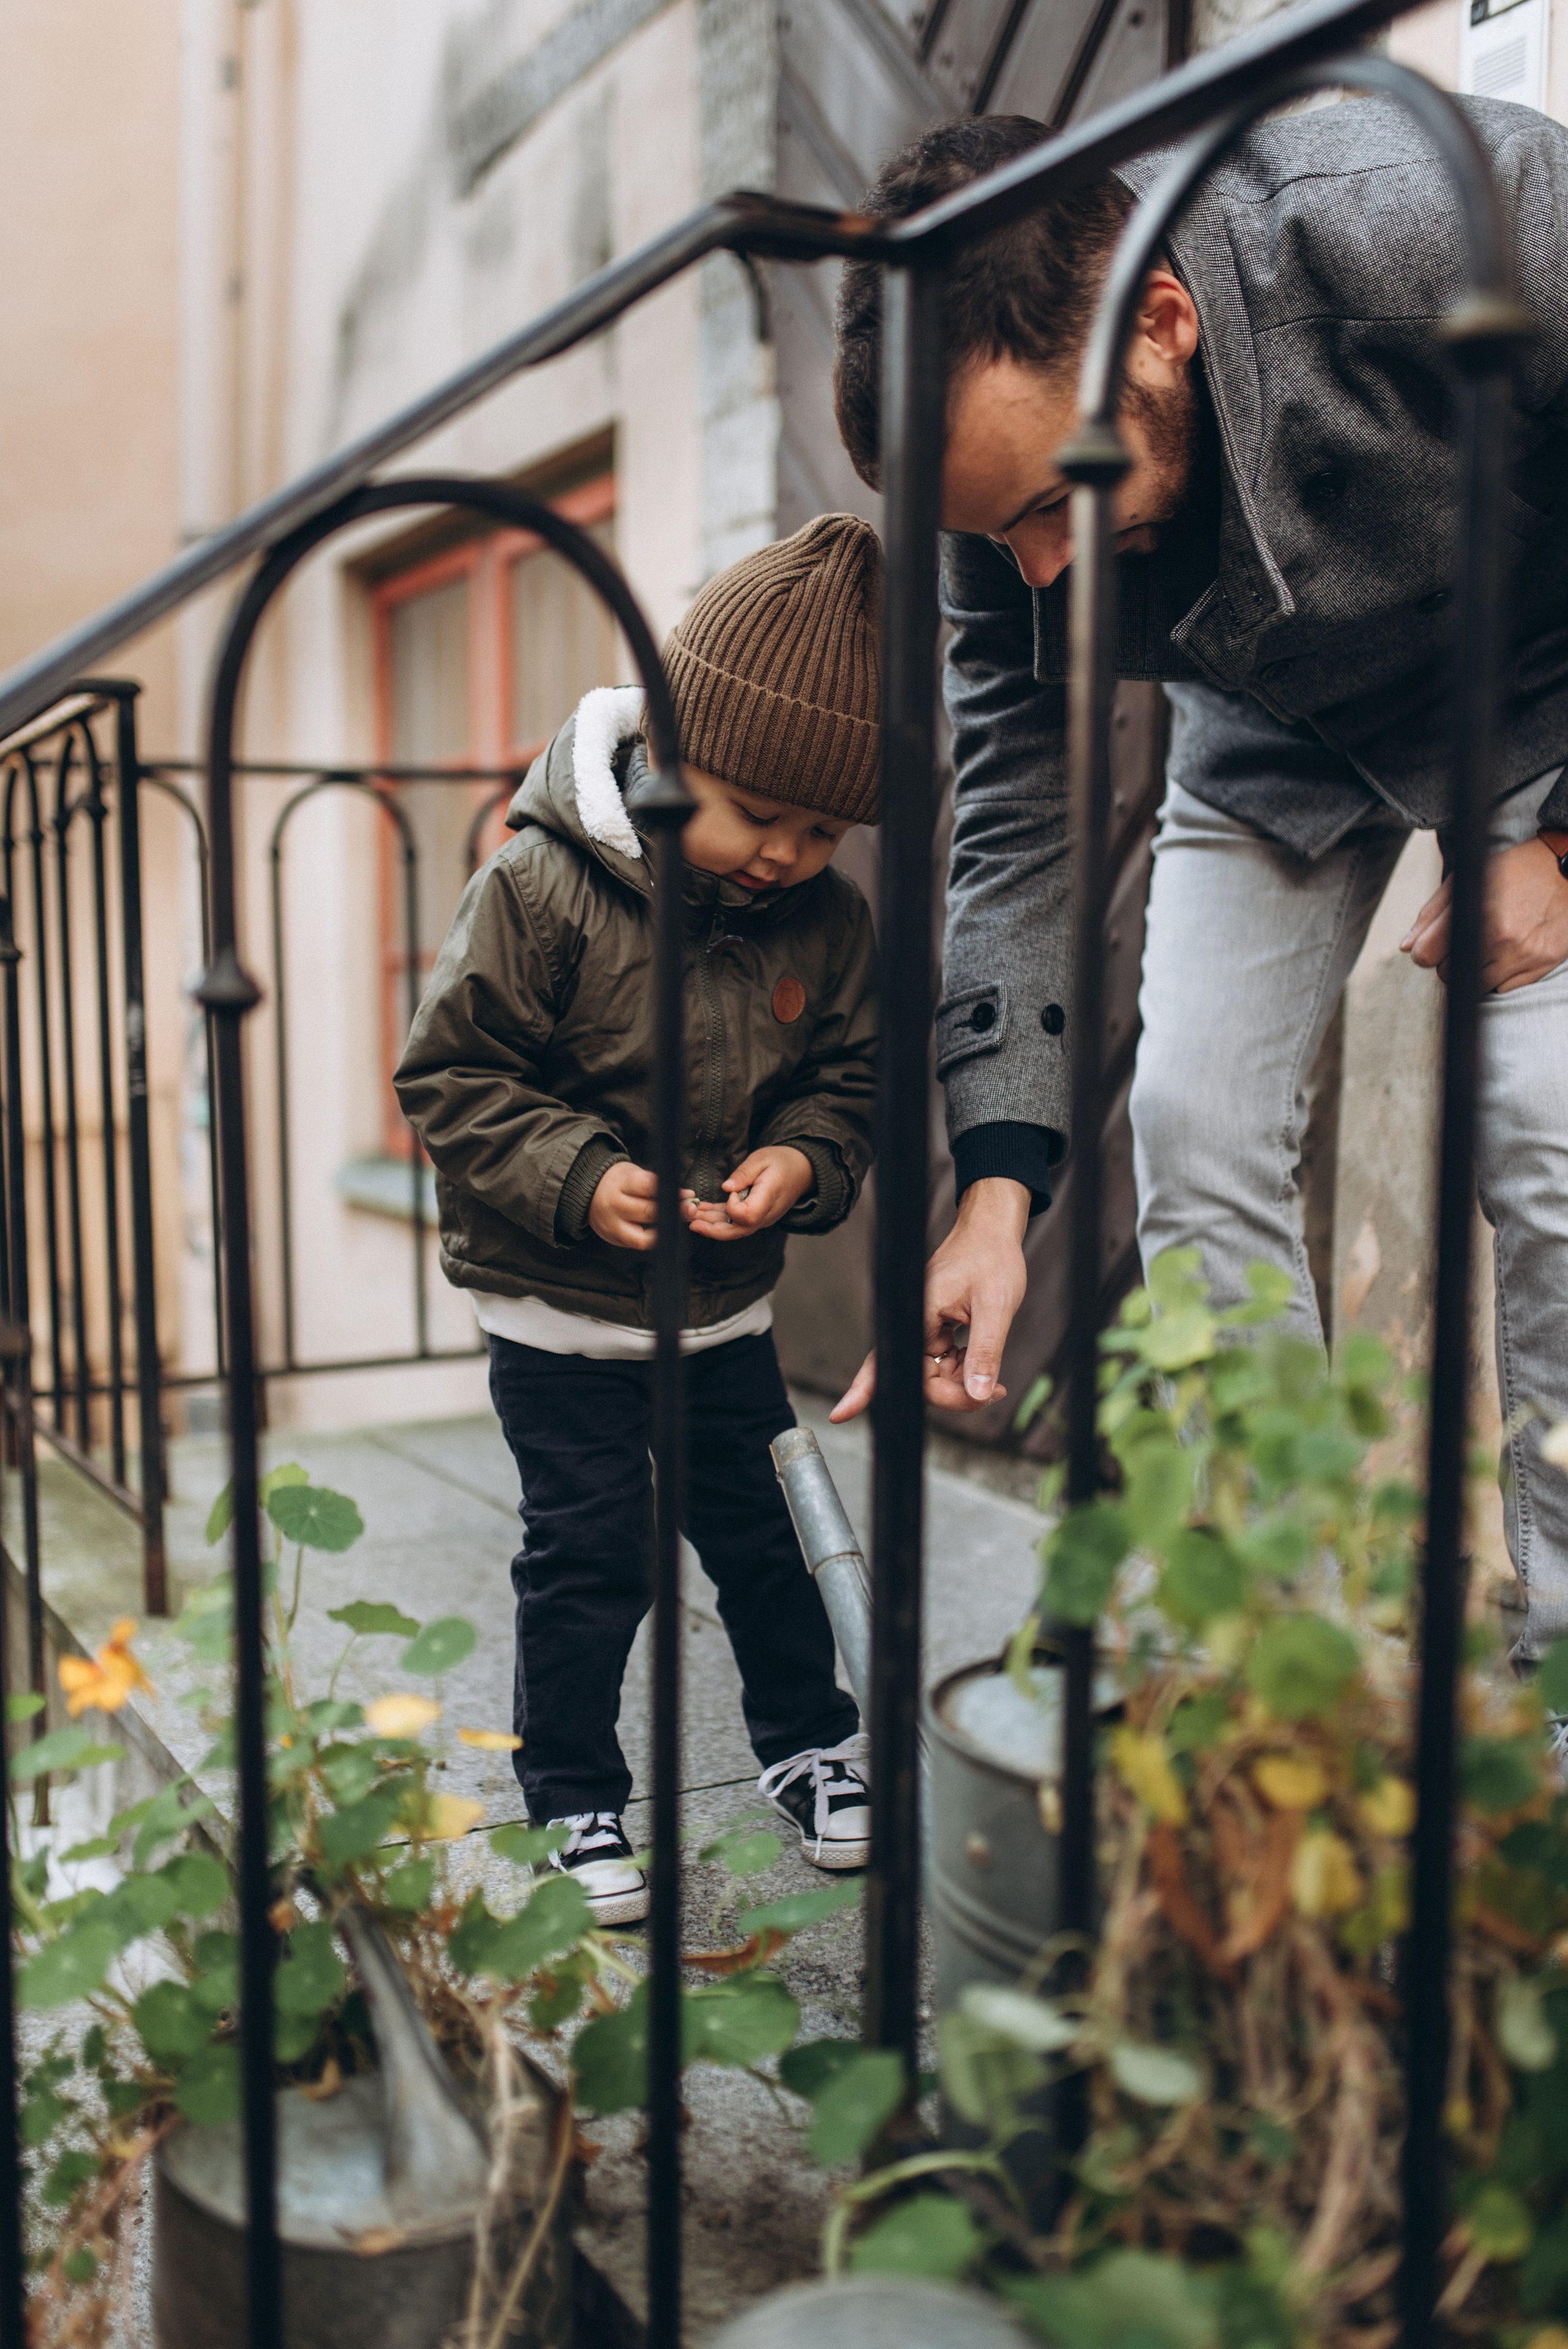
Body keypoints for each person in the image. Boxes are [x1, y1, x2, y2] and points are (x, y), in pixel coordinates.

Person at [829, 101, 1568, 1667]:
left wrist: (1562, 849)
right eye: (994, 532)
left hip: (1542, 685)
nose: (1041, 571)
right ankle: (1285, 1659)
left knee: (1544, 1141)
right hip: (1268, 728)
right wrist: (996, 1187)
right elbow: (1015, 810)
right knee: (1187, 1123)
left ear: (1157, 323)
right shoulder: (1001, 494)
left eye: (1050, 505)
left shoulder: (1423, 222)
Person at [395, 516, 881, 1922]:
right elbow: (448, 1073)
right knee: (591, 1557)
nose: (784, 856)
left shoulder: (821, 924)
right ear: (667, 757)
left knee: (766, 1545)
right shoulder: (540, 888)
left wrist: (803, 1160)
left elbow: (845, 1084)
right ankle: (572, 1794)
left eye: (819, 831)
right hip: (556, 1323)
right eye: (753, 815)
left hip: (725, 1313)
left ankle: (811, 1745)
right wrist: (571, 1174)